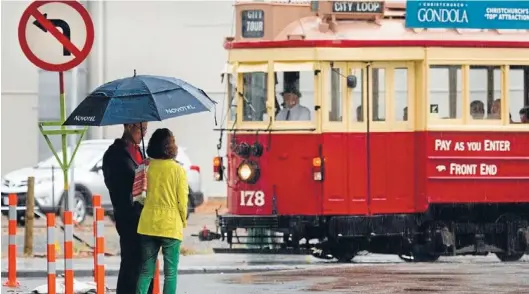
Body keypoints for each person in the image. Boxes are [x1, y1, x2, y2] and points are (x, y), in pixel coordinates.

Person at [102, 123, 153, 294]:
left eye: (146, 129)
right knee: (132, 263)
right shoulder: (115, 154)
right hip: (129, 216)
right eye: (141, 129)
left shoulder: (138, 151)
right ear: (129, 126)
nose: (144, 133)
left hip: (143, 216)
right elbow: (118, 185)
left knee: (144, 263)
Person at [136, 128, 188, 294]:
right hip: (171, 226)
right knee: (170, 273)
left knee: (145, 271)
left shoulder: (145, 167)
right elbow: (182, 201)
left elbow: (139, 196)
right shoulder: (178, 170)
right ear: (170, 146)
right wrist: (183, 221)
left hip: (148, 224)